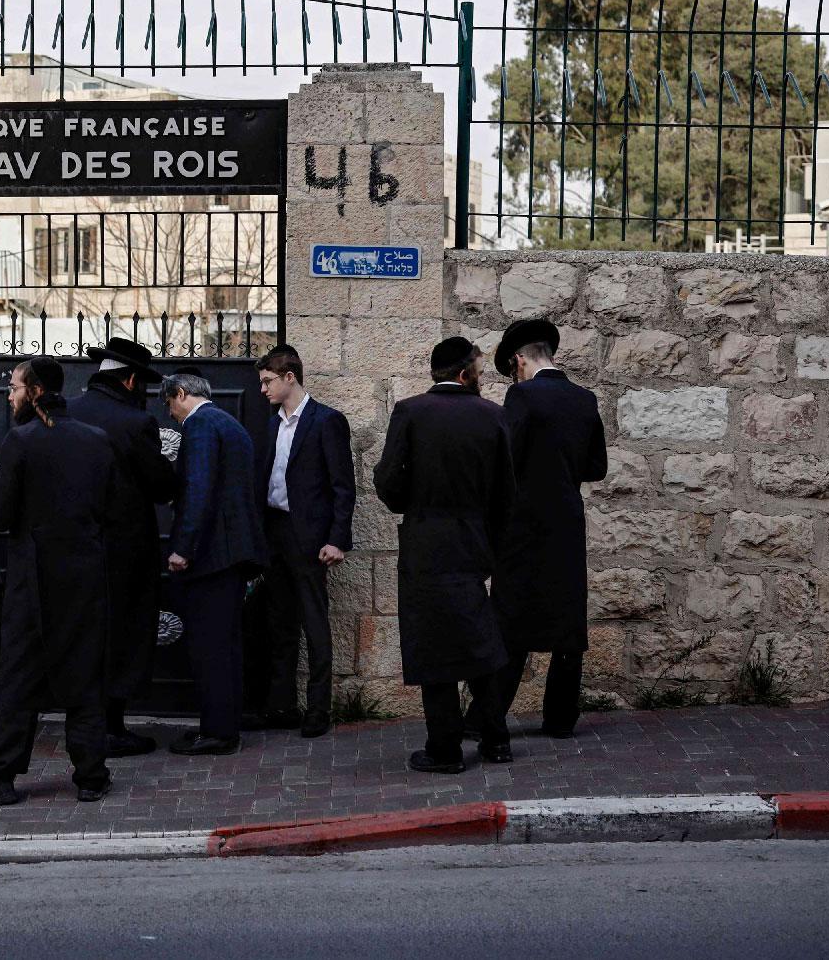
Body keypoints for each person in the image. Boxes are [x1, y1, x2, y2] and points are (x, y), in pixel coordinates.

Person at [0, 357, 116, 805]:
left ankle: (1, 776)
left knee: (18, 679)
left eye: (14, 387)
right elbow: (110, 508)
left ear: (34, 391)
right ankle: (91, 775)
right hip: (85, 575)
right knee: (84, 674)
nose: (8, 396)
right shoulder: (96, 440)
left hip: (32, 577)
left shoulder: (21, 441)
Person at [372, 337, 516, 774]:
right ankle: (496, 740)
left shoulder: (411, 412)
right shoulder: (492, 416)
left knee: (433, 648)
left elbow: (387, 482)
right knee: (479, 643)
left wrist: (413, 504)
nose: (481, 374)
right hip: (473, 546)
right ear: (463, 372)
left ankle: (445, 749)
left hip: (425, 548)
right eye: (477, 367)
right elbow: (506, 493)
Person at [472, 319, 608, 740]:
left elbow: (504, 459)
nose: (515, 376)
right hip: (567, 523)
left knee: (511, 621)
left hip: (523, 526)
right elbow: (596, 467)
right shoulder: (585, 399)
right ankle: (560, 719)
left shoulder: (523, 396)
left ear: (518, 360)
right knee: (569, 621)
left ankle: (485, 719)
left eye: (512, 370)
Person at [68, 337, 178, 757]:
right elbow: (161, 484)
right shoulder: (134, 424)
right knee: (122, 639)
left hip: (73, 550)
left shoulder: (68, 413)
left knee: (82, 637)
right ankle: (111, 728)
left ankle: (84, 725)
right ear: (131, 380)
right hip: (124, 554)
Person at [249, 347, 355, 737]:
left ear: (289, 377)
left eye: (267, 381)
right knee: (279, 622)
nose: (262, 389)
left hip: (309, 537)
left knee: (314, 622)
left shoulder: (326, 421)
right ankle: (281, 707)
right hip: (275, 531)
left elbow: (343, 487)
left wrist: (336, 539)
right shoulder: (271, 424)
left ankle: (318, 709)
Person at [160, 372, 265, 756]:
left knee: (210, 645)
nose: (170, 416)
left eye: (170, 406)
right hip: (233, 552)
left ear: (181, 394)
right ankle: (222, 724)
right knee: (227, 643)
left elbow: (198, 489)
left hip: (212, 555)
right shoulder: (228, 423)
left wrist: (183, 547)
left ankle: (218, 732)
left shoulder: (200, 425)